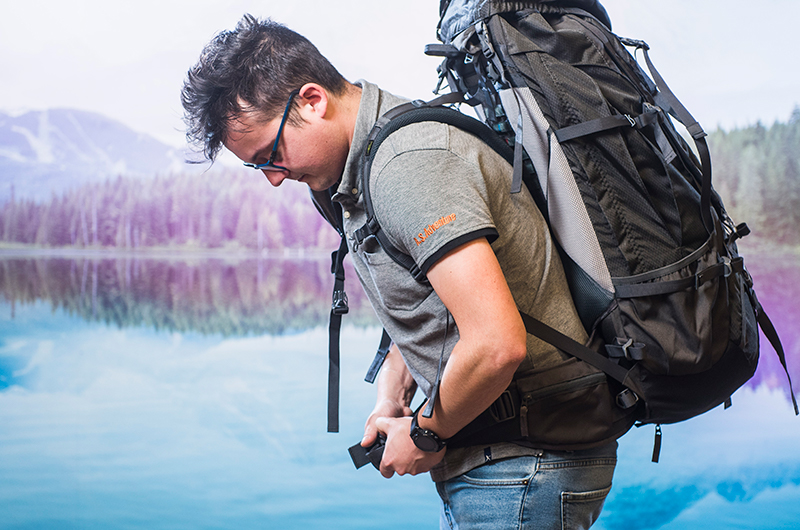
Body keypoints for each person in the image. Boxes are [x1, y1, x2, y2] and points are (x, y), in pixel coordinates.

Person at [181, 14, 617, 529]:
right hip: (508, 463)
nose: (275, 179)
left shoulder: (407, 165)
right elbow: (431, 303)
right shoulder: (369, 160)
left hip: (523, 465)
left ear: (312, 101)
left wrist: (428, 432)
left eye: (270, 156)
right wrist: (393, 398)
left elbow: (498, 343)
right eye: (259, 168)